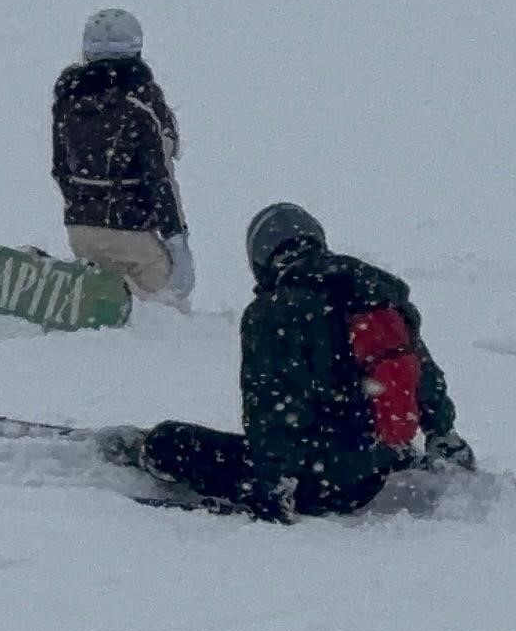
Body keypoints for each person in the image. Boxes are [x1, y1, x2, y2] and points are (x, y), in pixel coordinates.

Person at [118, 204, 478, 521]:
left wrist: (274, 483)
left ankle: (143, 451)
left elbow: (272, 405)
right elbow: (420, 372)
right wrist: (442, 432)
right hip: (381, 463)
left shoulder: (273, 312)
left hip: (320, 481)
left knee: (171, 440)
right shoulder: (373, 294)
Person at [52, 8, 192, 304]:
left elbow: (61, 169)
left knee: (104, 305)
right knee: (164, 309)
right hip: (132, 233)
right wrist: (177, 242)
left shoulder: (67, 102)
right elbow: (160, 178)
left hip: (80, 230)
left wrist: (84, 205)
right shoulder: (141, 105)